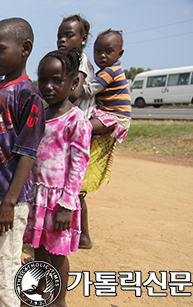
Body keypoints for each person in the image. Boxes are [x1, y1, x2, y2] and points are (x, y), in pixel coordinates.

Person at [0, 18, 45, 307]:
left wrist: (10, 203)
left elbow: (28, 152)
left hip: (8, 199)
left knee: (6, 263)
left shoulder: (28, 95)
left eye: (0, 50)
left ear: (25, 48)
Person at [23, 48, 92, 307]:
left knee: (57, 252)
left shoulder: (76, 119)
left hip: (59, 199)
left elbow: (78, 164)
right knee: (39, 249)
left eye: (57, 80)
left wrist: (67, 203)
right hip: (38, 195)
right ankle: (40, 292)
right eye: (43, 80)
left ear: (73, 82)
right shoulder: (40, 114)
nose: (48, 86)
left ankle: (59, 300)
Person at [79, 29, 132, 249]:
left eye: (108, 51)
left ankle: (81, 236)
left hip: (114, 118)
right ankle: (82, 236)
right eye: (98, 50)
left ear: (119, 53)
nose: (102, 55)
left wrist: (73, 89)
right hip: (107, 116)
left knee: (80, 128)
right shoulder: (105, 69)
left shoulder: (110, 71)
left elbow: (93, 89)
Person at [56, 14, 96, 249]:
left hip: (77, 127)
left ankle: (81, 235)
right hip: (71, 127)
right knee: (74, 185)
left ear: (83, 39)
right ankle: (82, 236)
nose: (62, 40)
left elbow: (74, 94)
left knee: (74, 184)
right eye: (60, 35)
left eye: (68, 35)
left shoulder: (78, 61)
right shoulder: (71, 59)